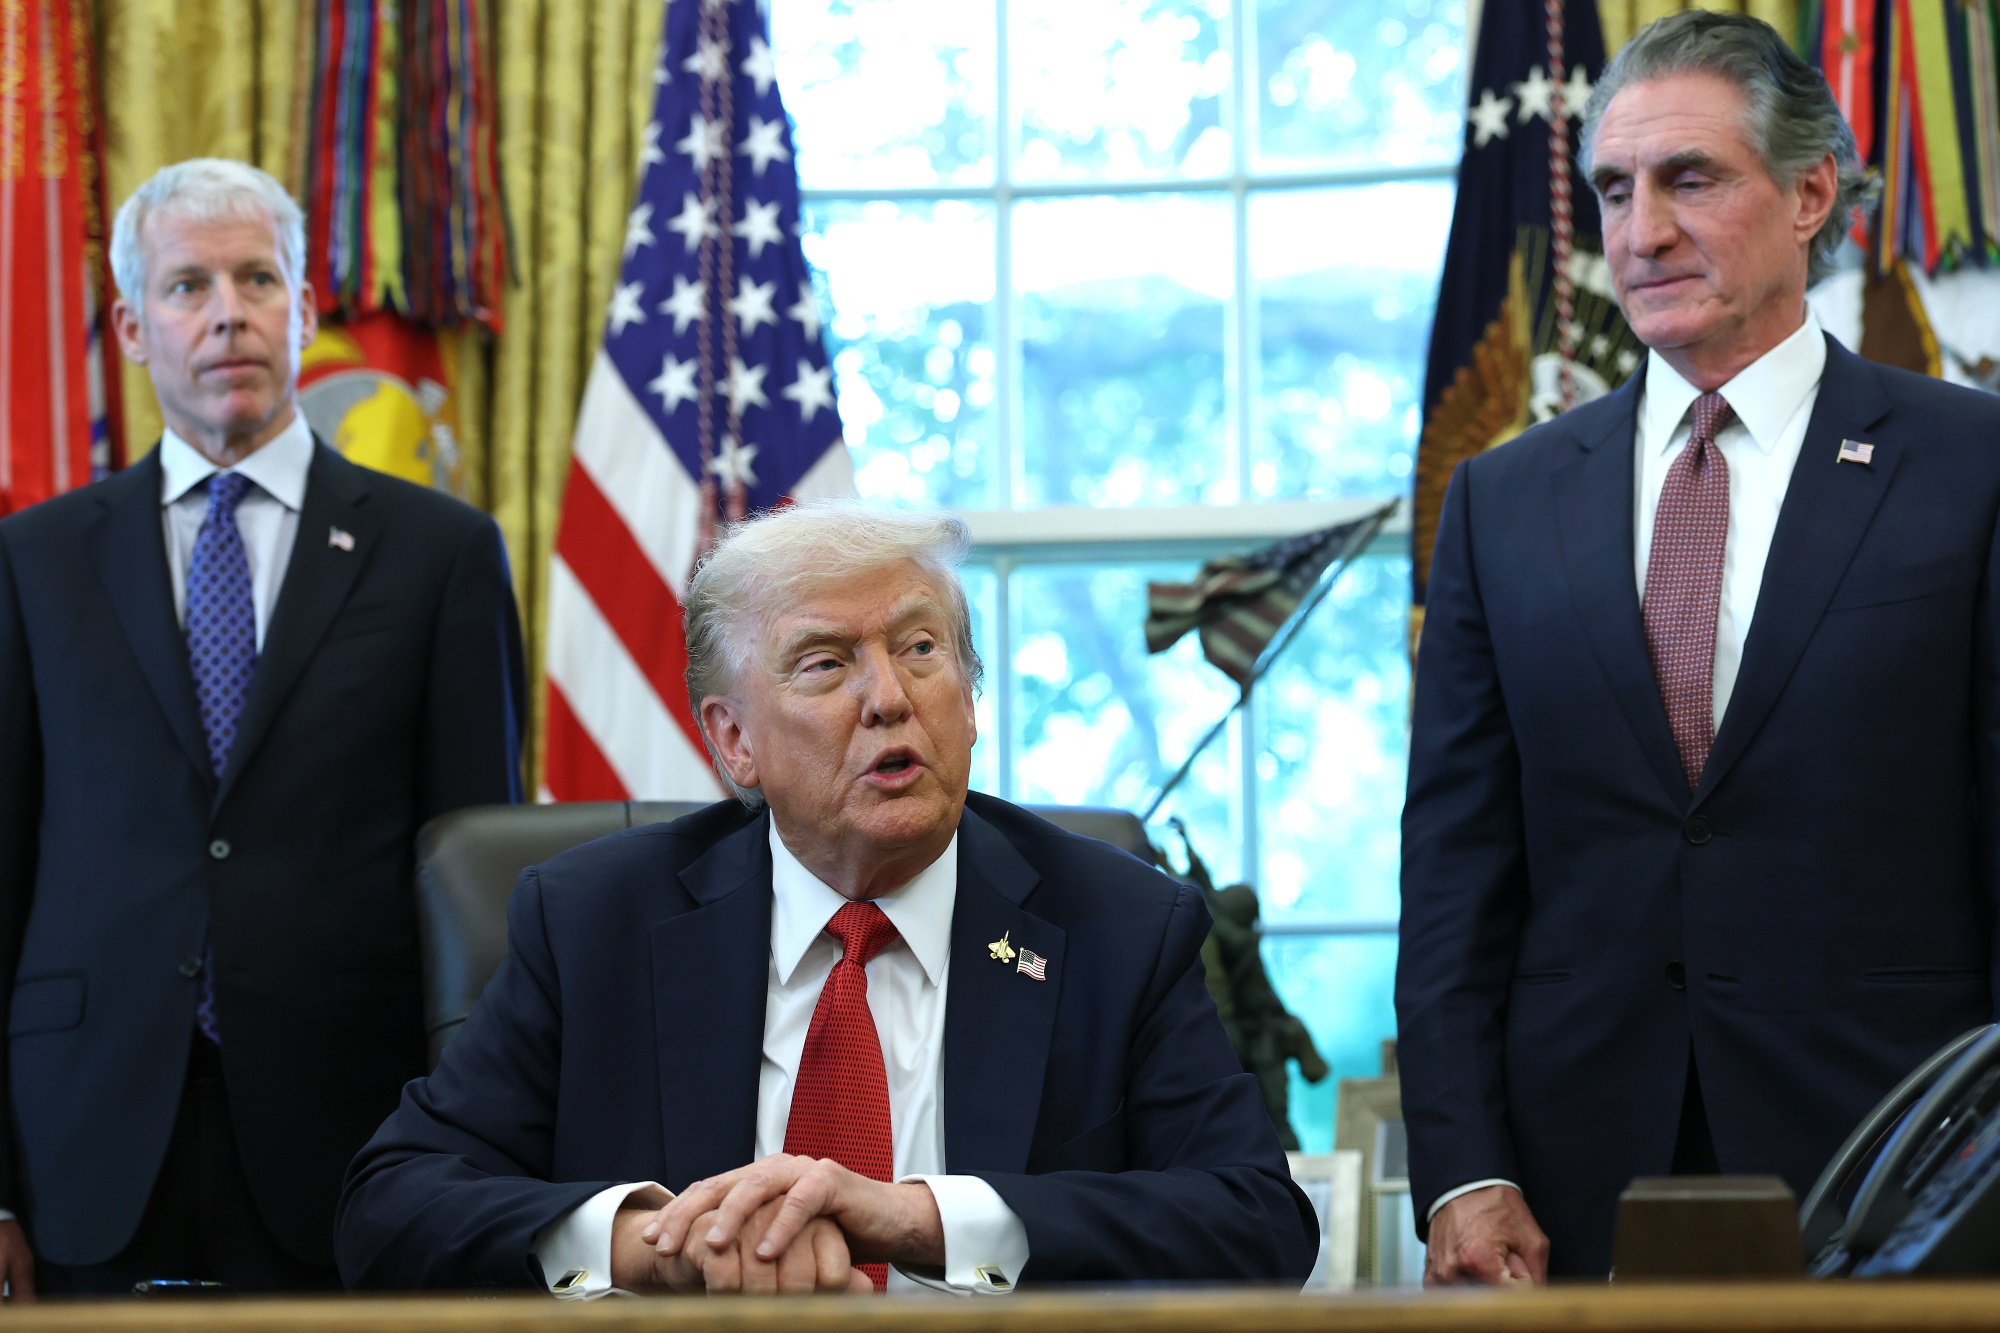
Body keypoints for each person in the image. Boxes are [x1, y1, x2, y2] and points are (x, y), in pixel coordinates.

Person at [336, 501, 1316, 1294]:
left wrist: (920, 1217)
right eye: (825, 663)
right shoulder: (595, 922)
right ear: (733, 742)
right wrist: (651, 1243)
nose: (888, 697)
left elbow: (1254, 1221)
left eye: (921, 649)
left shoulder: (1116, 925)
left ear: (969, 699)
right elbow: (391, 1208)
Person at [1398, 11, 2000, 1283]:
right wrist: (1461, 1165)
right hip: (1574, 1189)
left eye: (1689, 180)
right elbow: (1455, 875)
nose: (1640, 232)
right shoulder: (1501, 501)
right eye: (1613, 189)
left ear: (1806, 193)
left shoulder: (1969, 464)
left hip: (1906, 1168)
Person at [0, 158, 526, 1295]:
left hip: (358, 1137)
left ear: (305, 307)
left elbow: (477, 883)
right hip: (82, 1136)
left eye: (256, 278)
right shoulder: (34, 561)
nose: (227, 312)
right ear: (135, 328)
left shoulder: (440, 554)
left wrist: (480, 1161)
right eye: (188, 286)